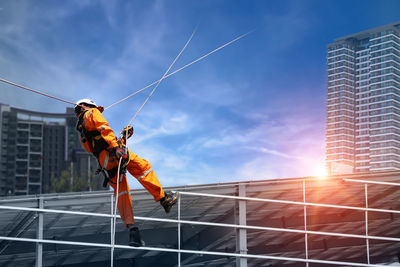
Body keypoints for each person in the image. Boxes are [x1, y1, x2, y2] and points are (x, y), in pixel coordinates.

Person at [74, 98, 179, 247]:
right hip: (112, 154)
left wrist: (123, 138)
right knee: (143, 167)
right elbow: (104, 128)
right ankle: (163, 199)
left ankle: (133, 231)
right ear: (86, 106)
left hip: (105, 163)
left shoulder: (81, 130)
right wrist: (117, 146)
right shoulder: (92, 112)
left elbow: (98, 146)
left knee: (122, 193)